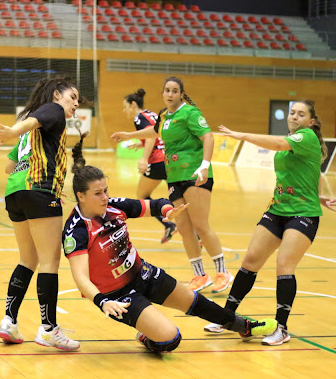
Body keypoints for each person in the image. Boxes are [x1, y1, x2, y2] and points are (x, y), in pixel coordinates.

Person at [62, 134, 278, 353]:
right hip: (116, 296)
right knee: (170, 339)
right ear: (81, 196)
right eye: (98, 194)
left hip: (143, 274)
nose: (105, 197)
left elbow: (156, 204)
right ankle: (146, 335)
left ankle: (245, 327)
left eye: (106, 190)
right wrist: (102, 302)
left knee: (195, 302)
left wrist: (168, 211)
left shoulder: (115, 207)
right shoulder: (76, 230)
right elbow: (80, 278)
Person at [203, 100, 336, 346]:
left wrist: (240, 135)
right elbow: (311, 172)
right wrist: (318, 194)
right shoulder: (295, 140)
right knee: (250, 261)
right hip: (277, 209)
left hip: (303, 214)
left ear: (311, 122)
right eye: (292, 113)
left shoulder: (306, 136)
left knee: (284, 265)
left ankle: (282, 328)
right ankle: (225, 317)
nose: (294, 117)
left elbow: (277, 144)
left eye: (301, 114)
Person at [0, 76, 81, 351]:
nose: (74, 103)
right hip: (38, 190)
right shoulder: (54, 111)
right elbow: (30, 122)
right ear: (56, 95)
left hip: (15, 191)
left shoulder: (33, 131)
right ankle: (49, 329)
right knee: (50, 260)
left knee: (28, 259)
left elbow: (8, 166)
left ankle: (9, 322)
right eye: (71, 97)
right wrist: (14, 130)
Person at [111, 77, 232, 294]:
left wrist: (204, 166)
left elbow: (208, 137)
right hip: (174, 175)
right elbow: (154, 132)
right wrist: (128, 135)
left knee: (200, 225)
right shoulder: (164, 115)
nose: (170, 94)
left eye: (174, 91)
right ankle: (199, 275)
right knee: (184, 228)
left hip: (194, 174)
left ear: (181, 94)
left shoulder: (190, 113)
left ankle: (222, 272)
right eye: (167, 90)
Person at [122, 89, 177, 244]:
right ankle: (196, 234)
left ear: (133, 105)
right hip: (169, 159)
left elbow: (152, 138)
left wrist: (144, 159)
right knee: (179, 199)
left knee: (142, 196)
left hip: (157, 161)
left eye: (125, 106)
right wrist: (140, 144)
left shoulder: (139, 118)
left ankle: (169, 224)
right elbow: (158, 135)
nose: (124, 110)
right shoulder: (151, 114)